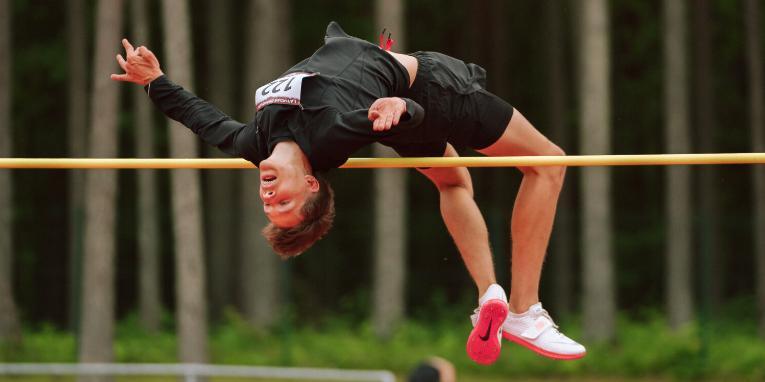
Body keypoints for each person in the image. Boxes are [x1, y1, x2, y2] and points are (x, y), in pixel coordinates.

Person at [111, 22, 586, 362]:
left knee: (453, 181)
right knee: (548, 164)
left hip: (395, 102)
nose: (268, 197)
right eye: (284, 203)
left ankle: (489, 295)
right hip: (433, 93)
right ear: (311, 183)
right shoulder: (329, 135)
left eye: (268, 205)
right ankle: (524, 310)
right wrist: (400, 107)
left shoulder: (252, 143)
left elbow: (202, 118)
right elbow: (406, 116)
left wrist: (154, 82)